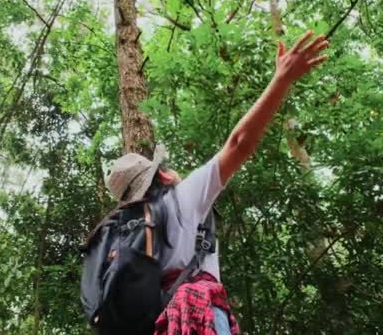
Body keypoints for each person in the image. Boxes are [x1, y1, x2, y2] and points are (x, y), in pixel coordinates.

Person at [104, 30, 329, 334]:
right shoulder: (180, 198)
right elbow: (238, 144)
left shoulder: (127, 236)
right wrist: (282, 79)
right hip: (197, 312)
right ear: (164, 175)